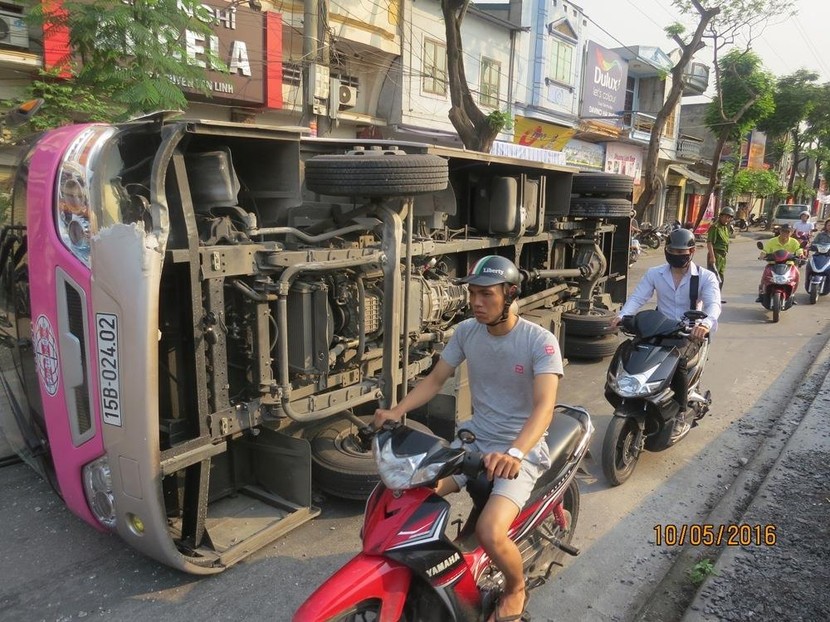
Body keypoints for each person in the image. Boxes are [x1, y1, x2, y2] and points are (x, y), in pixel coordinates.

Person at [374, 255, 562, 622]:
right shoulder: (466, 332)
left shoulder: (539, 341)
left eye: (486, 295)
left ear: (509, 294)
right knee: (410, 491)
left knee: (491, 532)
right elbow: (434, 379)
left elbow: (544, 407)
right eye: (473, 294)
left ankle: (515, 588)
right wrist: (397, 411)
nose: (476, 302)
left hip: (519, 451)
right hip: (474, 442)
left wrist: (515, 452)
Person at [611, 228, 721, 436]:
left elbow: (713, 305)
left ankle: (680, 410)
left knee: (677, 360)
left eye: (681, 252)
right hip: (660, 326)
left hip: (689, 331)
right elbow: (638, 298)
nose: (676, 255)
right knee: (633, 349)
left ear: (691, 252)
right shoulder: (655, 273)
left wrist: (705, 324)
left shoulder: (705, 277)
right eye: (672, 251)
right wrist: (623, 315)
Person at [755, 223, 804, 302]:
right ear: (780, 231)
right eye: (783, 231)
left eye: (788, 232)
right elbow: (765, 250)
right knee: (765, 274)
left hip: (789, 264)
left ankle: (792, 294)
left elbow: (798, 250)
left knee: (797, 274)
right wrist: (762, 255)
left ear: (791, 233)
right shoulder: (772, 241)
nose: (785, 233)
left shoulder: (794, 242)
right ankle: (761, 292)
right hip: (773, 263)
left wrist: (800, 254)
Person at [706, 206, 735, 299]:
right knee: (713, 277)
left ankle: (717, 297)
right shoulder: (715, 227)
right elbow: (709, 242)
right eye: (726, 217)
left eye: (729, 217)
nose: (727, 219)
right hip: (715, 254)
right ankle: (710, 297)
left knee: (721, 277)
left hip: (723, 256)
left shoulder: (725, 228)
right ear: (721, 216)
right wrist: (712, 257)